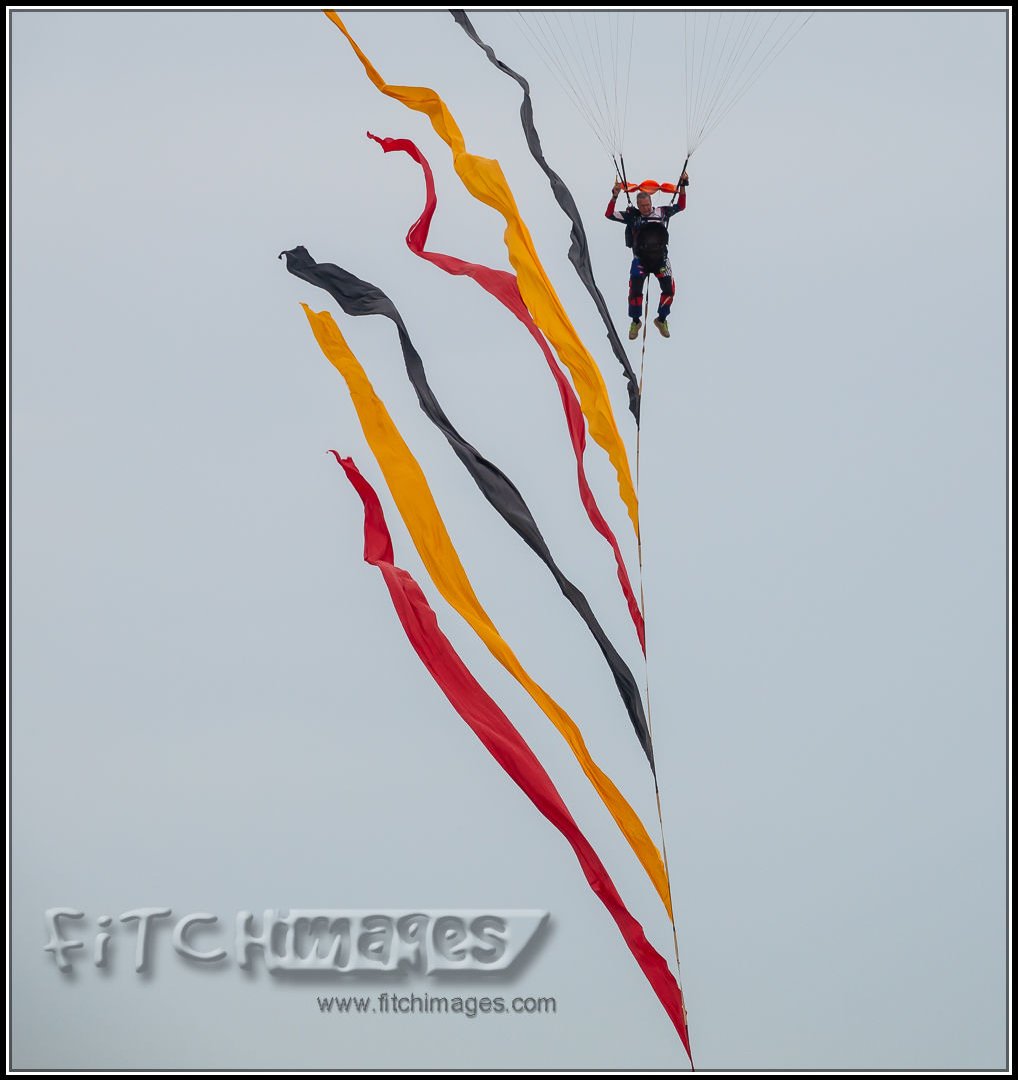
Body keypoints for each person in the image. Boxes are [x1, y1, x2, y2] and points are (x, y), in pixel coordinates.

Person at [605, 172, 688, 340]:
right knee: (635, 289)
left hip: (660, 260)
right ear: (638, 205)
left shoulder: (661, 212)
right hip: (641, 261)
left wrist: (683, 185)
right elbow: (609, 214)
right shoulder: (632, 216)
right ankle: (636, 322)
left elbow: (681, 205)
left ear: (651, 202)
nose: (645, 208)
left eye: (647, 205)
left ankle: (661, 319)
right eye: (642, 206)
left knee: (669, 289)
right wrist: (614, 196)